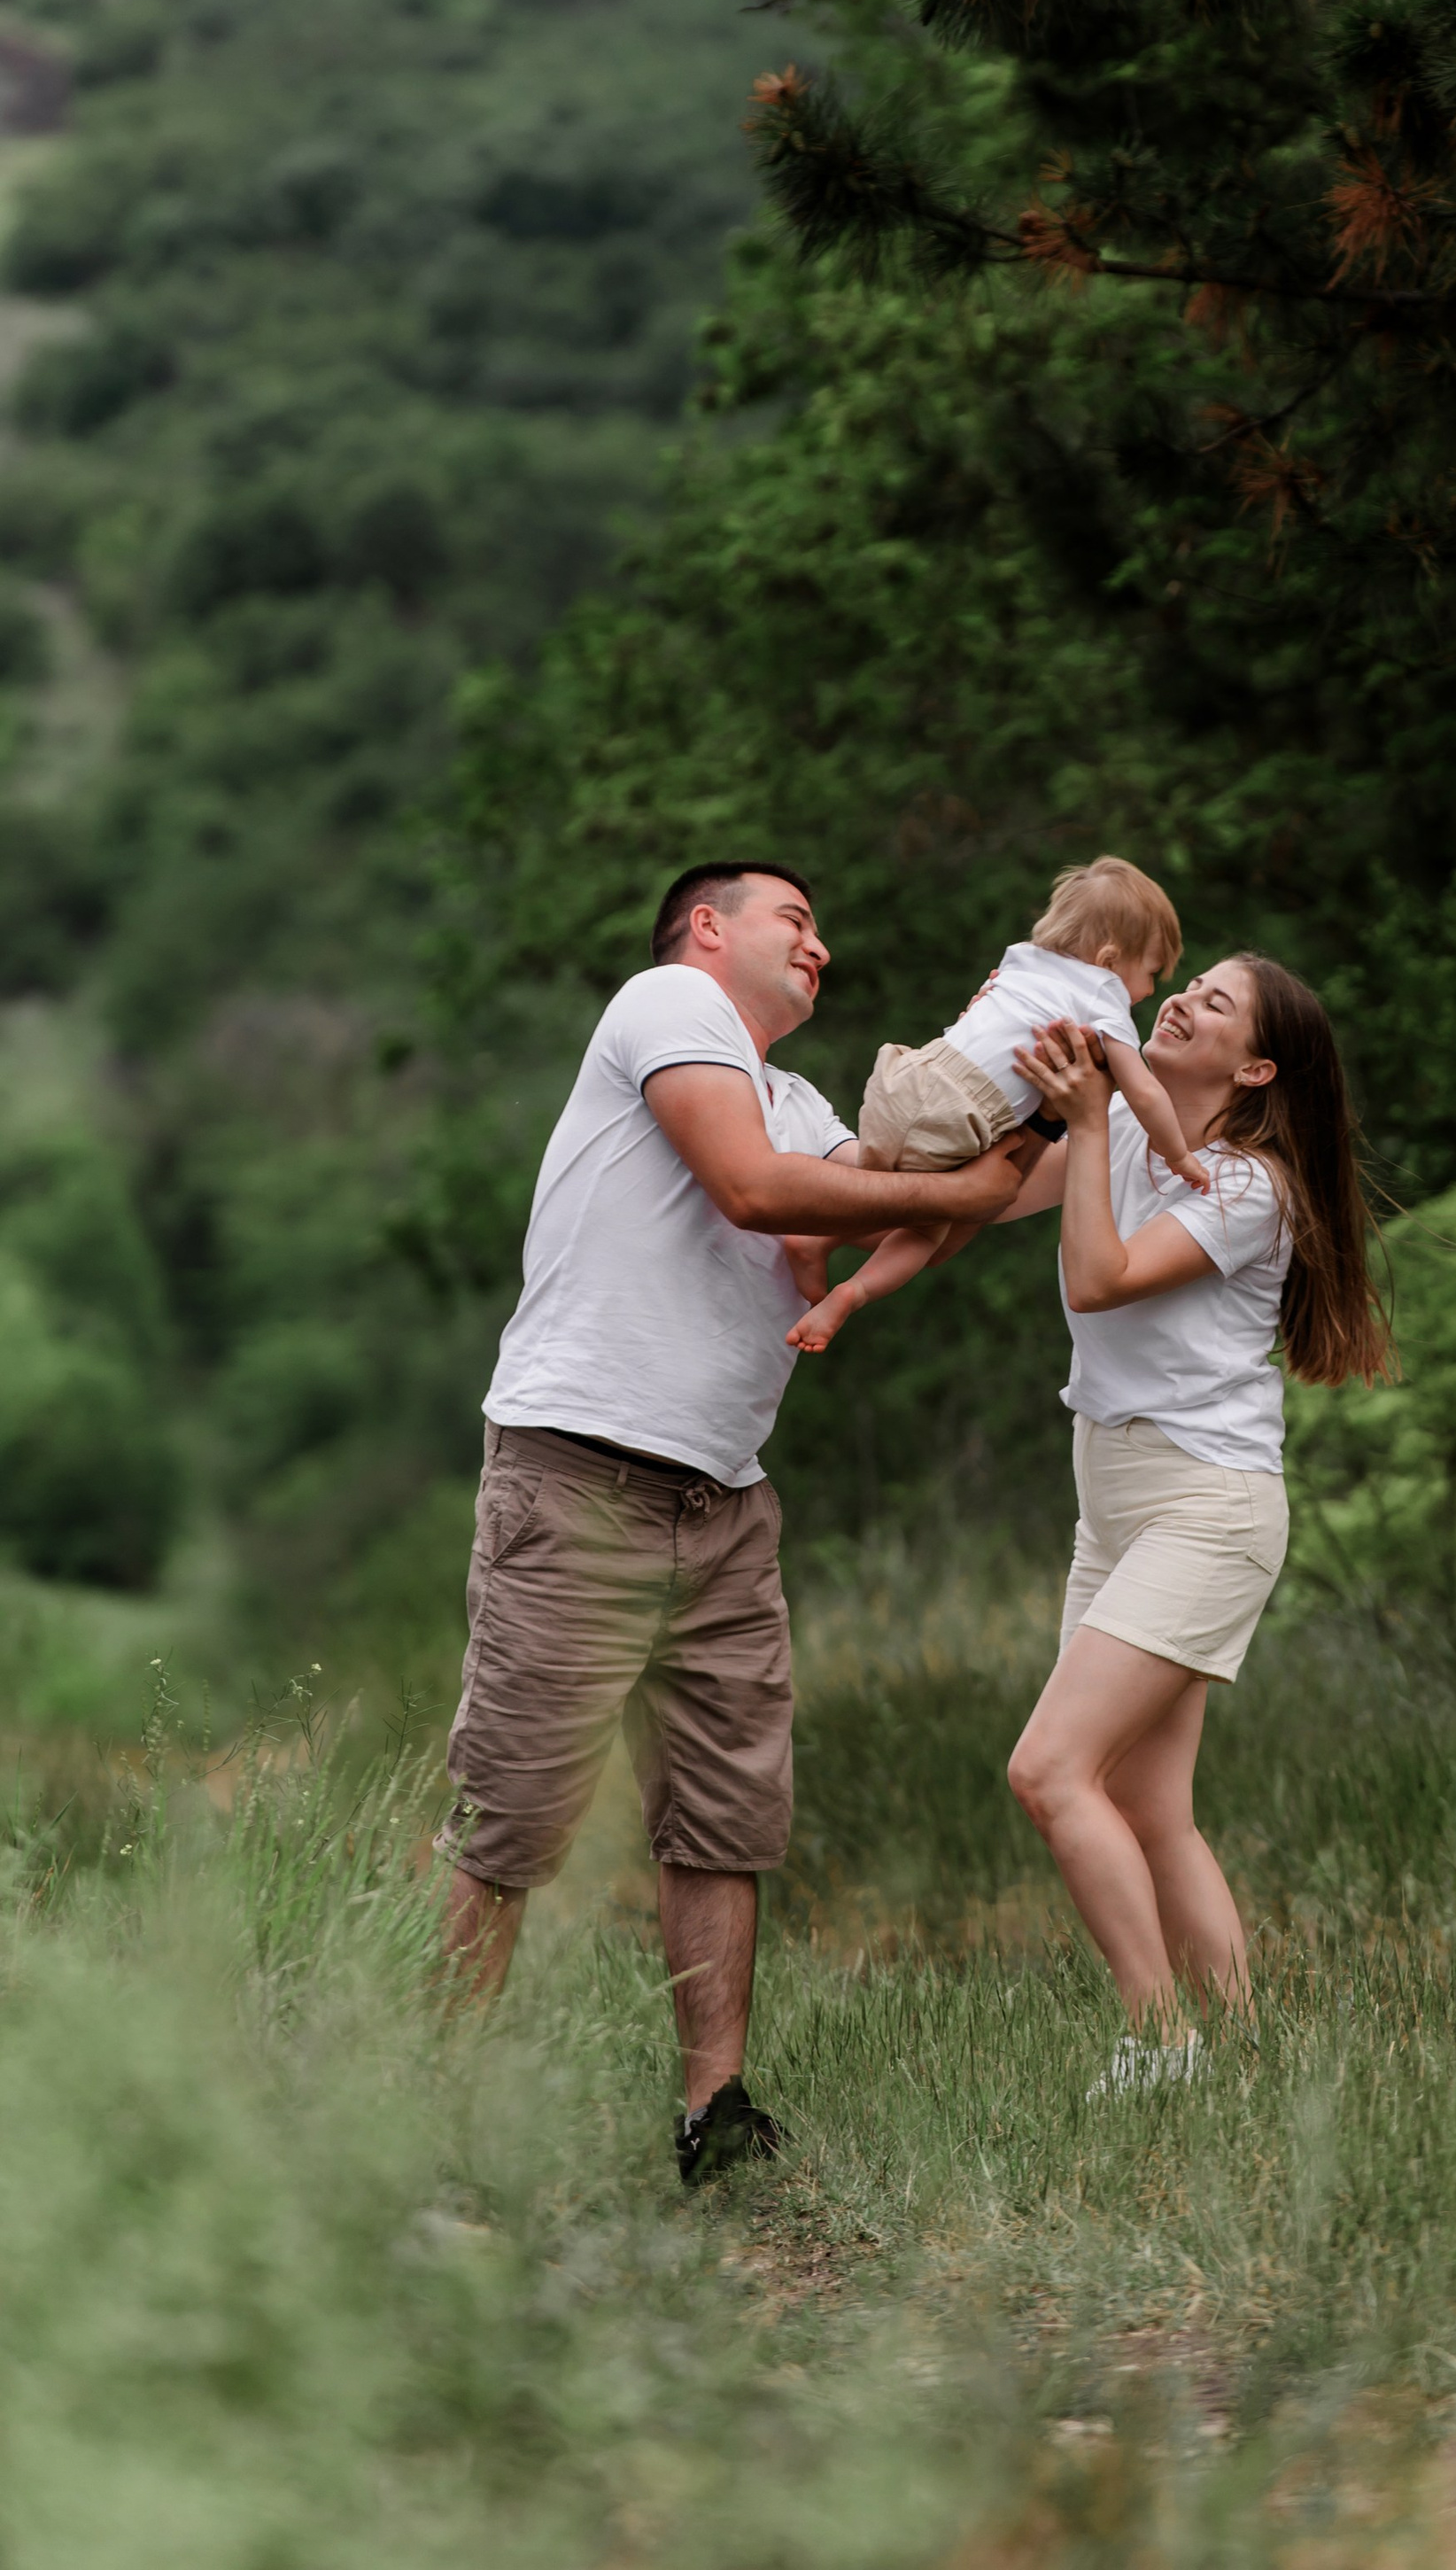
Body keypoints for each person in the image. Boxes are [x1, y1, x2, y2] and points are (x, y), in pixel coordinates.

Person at [438, 858, 1027, 2183]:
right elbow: (760, 1195)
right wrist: (956, 1193)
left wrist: (1030, 1091)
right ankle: (444, 2114)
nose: (821, 948)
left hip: (724, 1495)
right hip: (578, 1474)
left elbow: (896, 1198)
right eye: (797, 921)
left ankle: (718, 2119)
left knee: (721, 1818)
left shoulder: (803, 1101)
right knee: (516, 1816)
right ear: (710, 930)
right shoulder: (664, 1007)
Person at [997, 953, 1392, 2085]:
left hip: (1206, 1509)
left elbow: (1100, 1277)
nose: (1178, 1000)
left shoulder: (1247, 1186)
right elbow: (984, 1194)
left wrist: (1088, 1116)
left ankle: (1160, 2044)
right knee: (1148, 1805)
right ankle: (1247, 2058)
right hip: (1112, 1498)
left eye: (1214, 1002)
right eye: (1190, 984)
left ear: (1255, 1064)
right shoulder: (1124, 1125)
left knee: (1050, 1769)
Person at [786, 857, 1206, 1356]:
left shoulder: (1021, 958)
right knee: (925, 1233)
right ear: (1111, 960)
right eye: (1153, 973)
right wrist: (1178, 1156)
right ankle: (851, 1292)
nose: (1152, 991)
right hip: (959, 1112)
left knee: (888, 1191)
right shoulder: (1103, 996)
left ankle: (818, 1238)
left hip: (906, 1076)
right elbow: (1145, 1091)